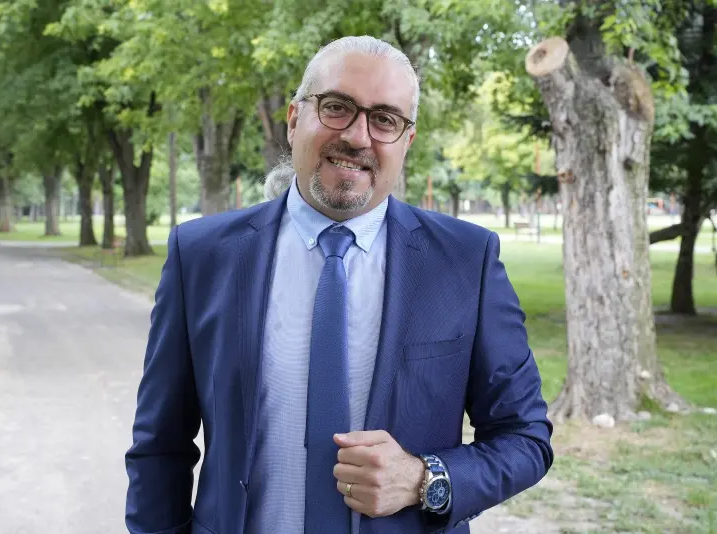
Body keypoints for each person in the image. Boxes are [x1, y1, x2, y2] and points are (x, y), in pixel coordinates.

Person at [125, 35, 553, 534]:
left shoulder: (466, 261)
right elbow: (160, 446)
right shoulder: (201, 255)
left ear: (406, 141)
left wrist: (425, 478)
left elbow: (525, 437)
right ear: (294, 119)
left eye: (385, 120)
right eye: (336, 107)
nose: (357, 136)